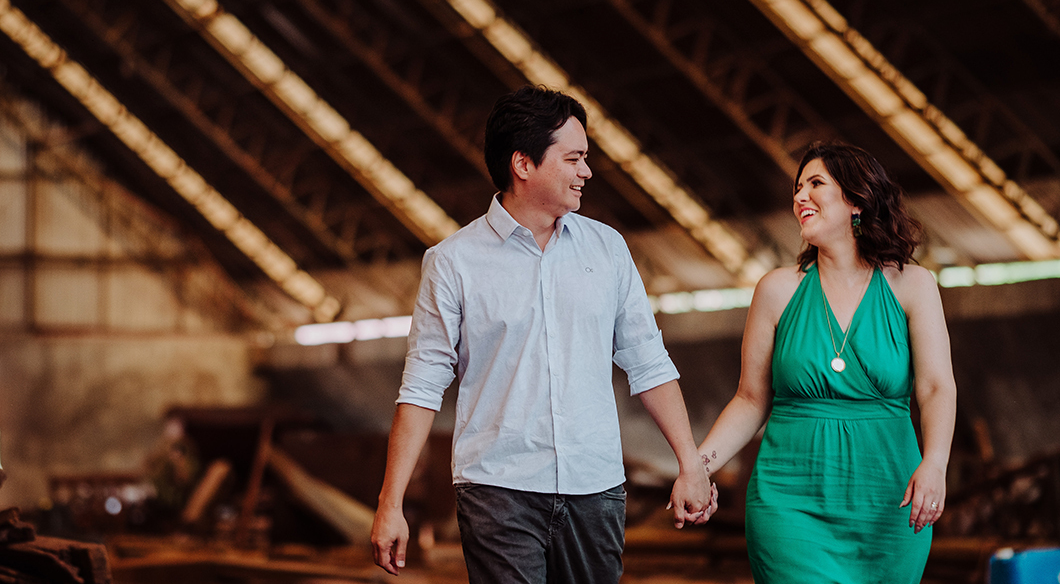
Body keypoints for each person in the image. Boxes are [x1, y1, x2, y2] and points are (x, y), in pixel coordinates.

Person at [370, 85, 717, 582]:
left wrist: (690, 463)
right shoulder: (452, 263)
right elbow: (422, 388)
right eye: (574, 158)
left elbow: (647, 361)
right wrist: (391, 503)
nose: (587, 171)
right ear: (523, 164)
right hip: (497, 491)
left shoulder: (608, 250)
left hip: (594, 489)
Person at [691, 141, 956, 583]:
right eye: (797, 188)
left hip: (889, 501)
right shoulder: (776, 290)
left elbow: (935, 387)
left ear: (856, 201)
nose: (799, 197)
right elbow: (750, 399)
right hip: (789, 503)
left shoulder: (913, 286)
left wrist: (936, 463)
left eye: (815, 184)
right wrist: (696, 468)